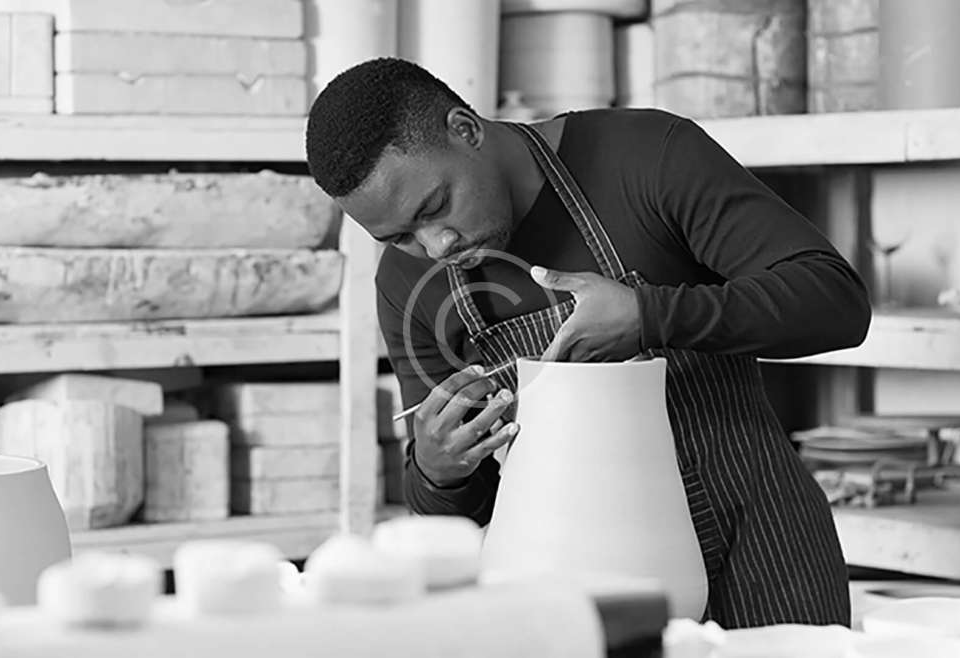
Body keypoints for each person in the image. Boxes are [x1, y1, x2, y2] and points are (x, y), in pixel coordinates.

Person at [305, 57, 871, 629]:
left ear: (466, 129)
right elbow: (451, 522)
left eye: (434, 207)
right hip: (580, 590)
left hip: (766, 547)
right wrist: (437, 469)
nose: (436, 245)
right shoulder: (408, 285)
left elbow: (836, 301)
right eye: (399, 237)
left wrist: (649, 315)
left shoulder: (644, 156)